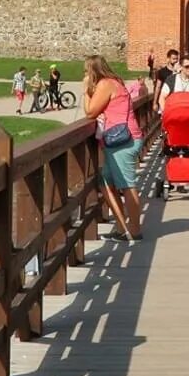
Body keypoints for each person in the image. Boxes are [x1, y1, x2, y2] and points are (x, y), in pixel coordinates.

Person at [82, 54, 143, 239]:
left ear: (93, 71)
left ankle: (134, 231)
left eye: (86, 71)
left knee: (127, 185)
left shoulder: (106, 84)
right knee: (105, 182)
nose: (84, 75)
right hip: (120, 141)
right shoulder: (115, 81)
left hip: (123, 142)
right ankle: (121, 226)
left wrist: (86, 91)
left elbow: (90, 111)